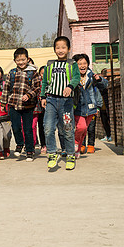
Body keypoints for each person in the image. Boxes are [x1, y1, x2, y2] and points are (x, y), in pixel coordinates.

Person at [41, 36, 80, 170]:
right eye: (58, 47)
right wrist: (43, 97)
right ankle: (52, 153)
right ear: (54, 50)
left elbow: (76, 77)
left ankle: (70, 155)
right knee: (48, 127)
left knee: (68, 129)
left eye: (63, 47)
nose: (60, 50)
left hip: (66, 103)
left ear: (68, 49)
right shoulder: (50, 64)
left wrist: (70, 87)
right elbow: (45, 82)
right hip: (51, 100)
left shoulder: (72, 64)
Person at [0, 48, 41, 162]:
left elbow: (37, 87)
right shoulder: (12, 73)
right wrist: (3, 103)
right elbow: (6, 88)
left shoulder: (33, 73)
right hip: (13, 104)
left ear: (28, 59)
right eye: (18, 60)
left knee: (28, 129)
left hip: (28, 106)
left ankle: (30, 151)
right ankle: (19, 144)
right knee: (16, 127)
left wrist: (29, 95)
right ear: (15, 61)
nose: (21, 62)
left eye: (23, 60)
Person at [72, 53, 107, 159]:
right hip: (78, 107)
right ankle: (75, 143)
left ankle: (77, 150)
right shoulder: (73, 77)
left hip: (90, 108)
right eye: (79, 63)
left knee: (84, 130)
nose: (82, 66)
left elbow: (105, 85)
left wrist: (99, 79)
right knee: (81, 127)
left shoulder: (92, 76)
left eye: (84, 63)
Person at [99, 68, 112, 142]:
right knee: (104, 120)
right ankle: (108, 135)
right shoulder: (100, 83)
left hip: (107, 104)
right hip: (102, 105)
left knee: (107, 120)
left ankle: (109, 135)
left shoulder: (106, 83)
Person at [37, 66, 47, 154]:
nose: (44, 75)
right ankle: (43, 145)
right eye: (43, 73)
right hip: (40, 109)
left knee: (50, 128)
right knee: (41, 127)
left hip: (51, 107)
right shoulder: (37, 83)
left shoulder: (53, 83)